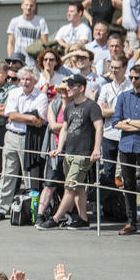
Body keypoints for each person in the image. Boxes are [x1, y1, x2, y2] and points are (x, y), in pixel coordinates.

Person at [38, 74, 103, 230]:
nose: (68, 88)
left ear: (81, 88)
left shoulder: (91, 106)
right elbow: (64, 130)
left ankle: (55, 219)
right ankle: (83, 219)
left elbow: (99, 127)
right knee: (78, 188)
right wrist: (59, 149)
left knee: (70, 187)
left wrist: (96, 149)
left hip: (83, 154)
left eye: (71, 86)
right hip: (69, 153)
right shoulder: (69, 107)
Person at [0, 66, 48, 221]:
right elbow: (10, 115)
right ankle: (1, 208)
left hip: (29, 138)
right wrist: (30, 117)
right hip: (11, 135)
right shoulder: (14, 93)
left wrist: (21, 116)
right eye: (22, 79)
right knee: (7, 173)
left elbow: (40, 119)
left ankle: (32, 210)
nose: (25, 82)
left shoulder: (41, 96)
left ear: (35, 81)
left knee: (30, 175)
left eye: (28, 79)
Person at [110, 63, 140, 235]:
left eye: (137, 78)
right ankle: (131, 222)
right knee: (128, 185)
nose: (133, 81)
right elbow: (116, 123)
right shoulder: (123, 97)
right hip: (126, 146)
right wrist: (138, 124)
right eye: (131, 77)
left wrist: (128, 122)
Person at [6, 0, 49, 66]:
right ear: (22, 6)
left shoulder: (41, 21)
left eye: (31, 5)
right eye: (26, 5)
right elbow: (11, 43)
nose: (29, 7)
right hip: (18, 61)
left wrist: (42, 62)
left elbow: (44, 44)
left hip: (34, 63)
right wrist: (11, 60)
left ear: (34, 7)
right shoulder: (15, 21)